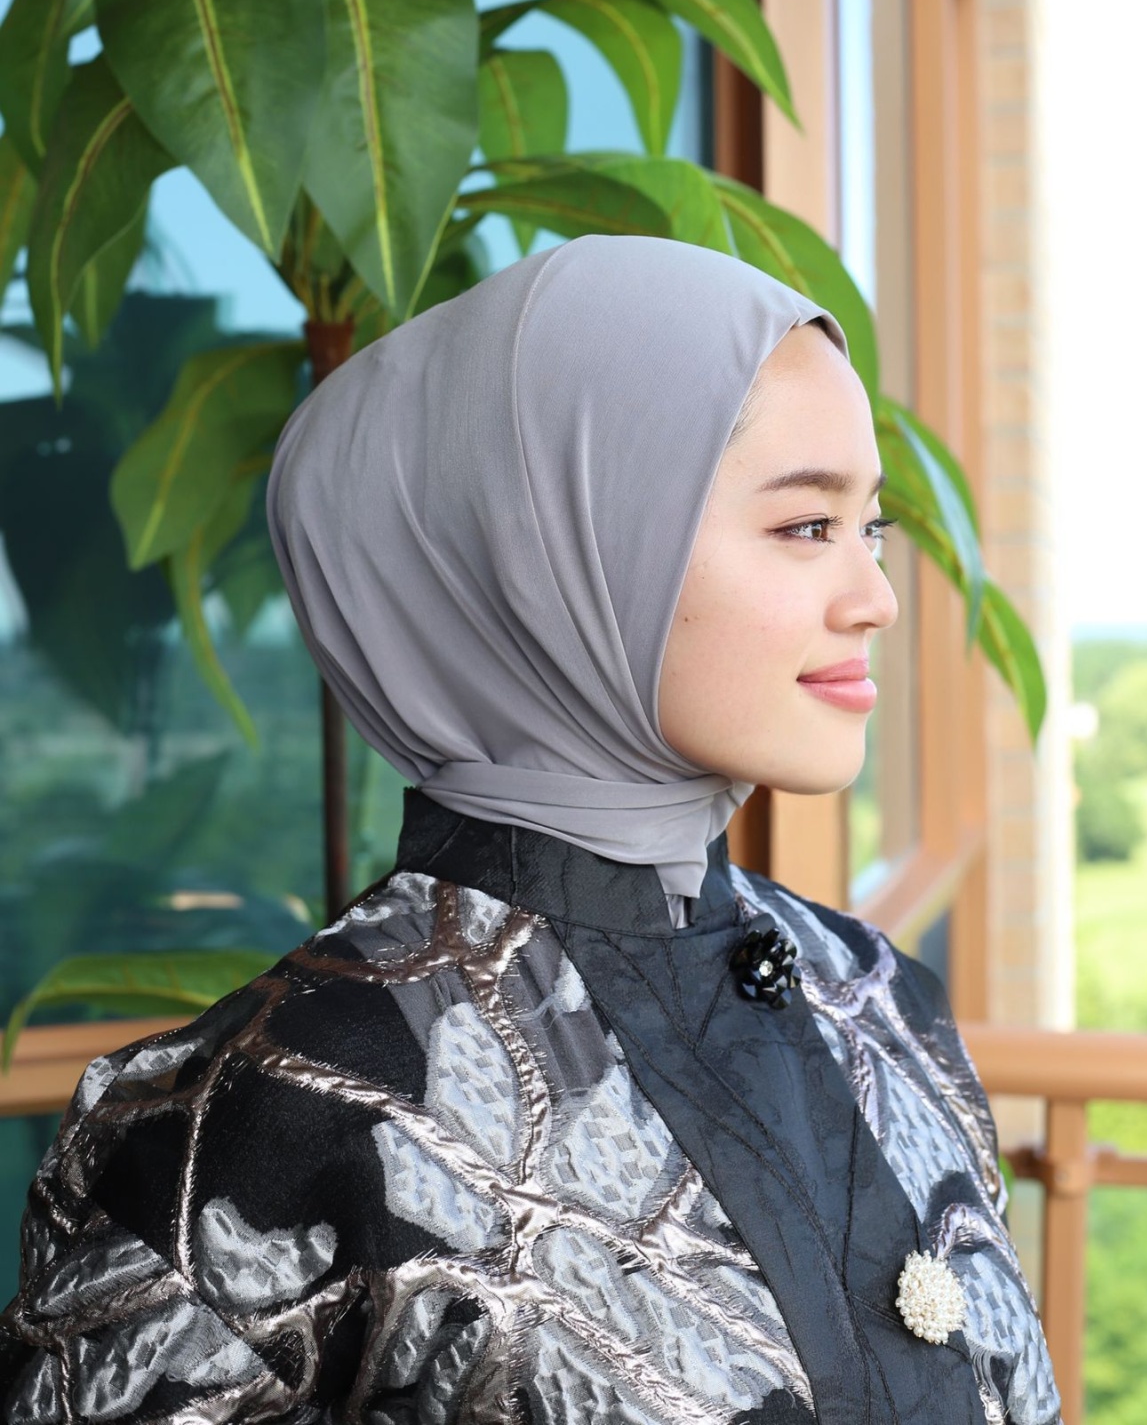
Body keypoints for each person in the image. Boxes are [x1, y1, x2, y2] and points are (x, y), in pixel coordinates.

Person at [0, 235, 1060, 1425]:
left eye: (870, 528)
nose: (875, 595)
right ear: (561, 550)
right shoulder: (279, 1105)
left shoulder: (876, 999)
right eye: (805, 525)